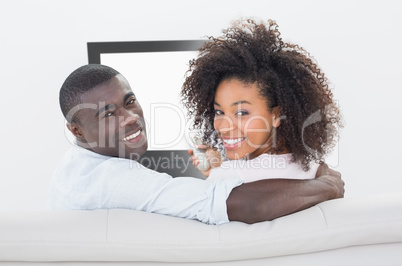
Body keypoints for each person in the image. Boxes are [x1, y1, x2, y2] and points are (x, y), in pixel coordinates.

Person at [47, 64, 344, 225]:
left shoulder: (72, 168)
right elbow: (239, 203)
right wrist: (327, 183)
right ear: (77, 130)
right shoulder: (114, 180)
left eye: (130, 102)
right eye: (108, 114)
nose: (130, 119)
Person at [182, 19, 342, 184]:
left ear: (276, 115)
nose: (223, 127)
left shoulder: (232, 176)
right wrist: (219, 171)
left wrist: (219, 175)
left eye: (241, 113)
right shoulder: (315, 170)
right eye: (219, 112)